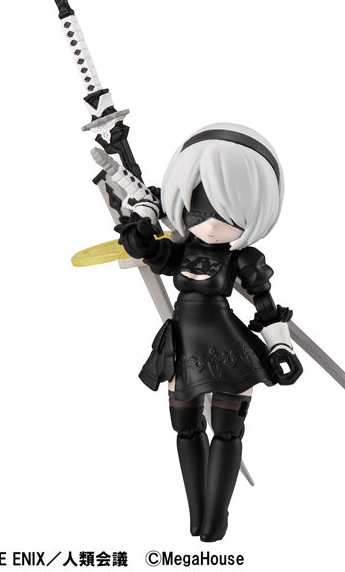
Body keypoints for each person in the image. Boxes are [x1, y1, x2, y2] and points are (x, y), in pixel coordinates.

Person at [102, 122, 303, 542]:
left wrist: (280, 346)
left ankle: (216, 518)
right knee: (185, 428)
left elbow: (265, 306)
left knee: (227, 431)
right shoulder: (181, 250)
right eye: (199, 212)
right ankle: (199, 514)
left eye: (227, 216)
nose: (210, 226)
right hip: (182, 347)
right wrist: (139, 233)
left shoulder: (243, 260)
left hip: (228, 347)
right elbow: (153, 252)